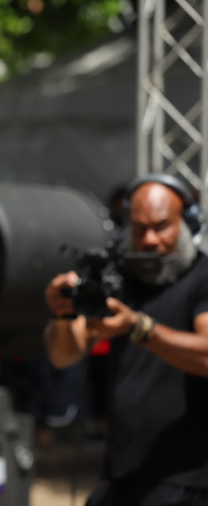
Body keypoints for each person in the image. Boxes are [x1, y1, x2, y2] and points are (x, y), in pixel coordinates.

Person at [44, 173, 208, 505]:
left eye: (161, 227)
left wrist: (139, 327)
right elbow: (63, 355)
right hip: (121, 474)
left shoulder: (202, 277)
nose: (149, 240)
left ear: (190, 223)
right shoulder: (119, 278)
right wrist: (65, 313)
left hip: (187, 480)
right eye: (139, 228)